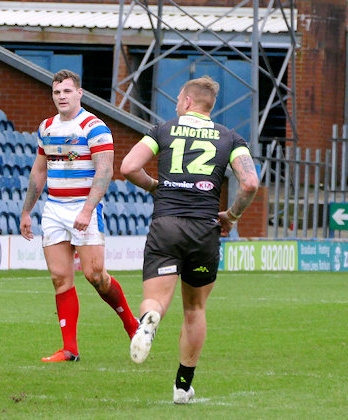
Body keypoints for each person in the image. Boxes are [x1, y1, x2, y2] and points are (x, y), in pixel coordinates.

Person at [120, 75, 259, 404]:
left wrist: (156, 186)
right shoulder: (230, 138)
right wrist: (232, 216)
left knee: (156, 300)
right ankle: (183, 386)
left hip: (167, 224)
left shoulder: (164, 129)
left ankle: (149, 321)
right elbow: (250, 183)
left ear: (185, 102)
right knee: (195, 309)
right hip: (205, 229)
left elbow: (128, 167)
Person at [19, 69, 139, 363]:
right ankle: (69, 349)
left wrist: (87, 209)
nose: (61, 97)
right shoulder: (46, 127)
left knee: (95, 275)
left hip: (83, 206)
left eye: (67, 91)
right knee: (60, 278)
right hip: (54, 209)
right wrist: (26, 211)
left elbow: (105, 170)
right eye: (57, 92)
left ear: (79, 93)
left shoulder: (94, 127)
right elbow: (39, 170)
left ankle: (132, 325)